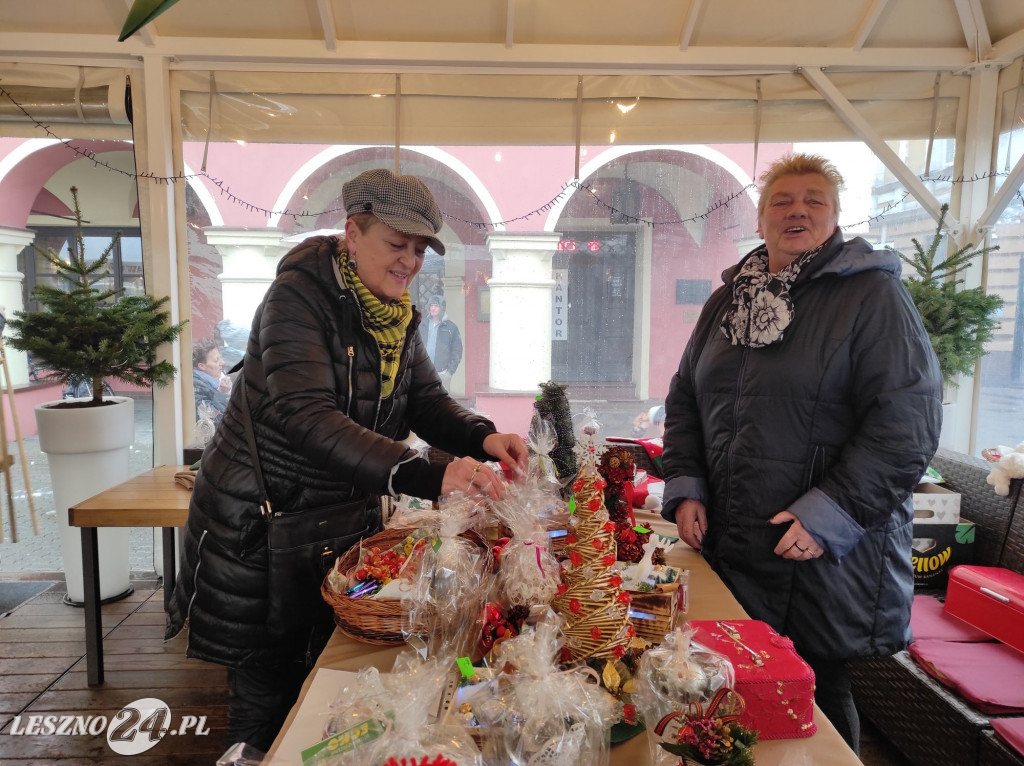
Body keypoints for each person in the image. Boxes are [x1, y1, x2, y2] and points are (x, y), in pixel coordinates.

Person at [165, 168, 528, 751]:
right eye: (396, 243)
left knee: (328, 689)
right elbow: (307, 418)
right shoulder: (297, 298)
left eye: (418, 249)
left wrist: (482, 438)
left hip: (330, 527)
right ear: (352, 233)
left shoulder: (395, 312)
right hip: (263, 531)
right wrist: (430, 474)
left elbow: (424, 400)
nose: (409, 261)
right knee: (268, 697)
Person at [660, 153, 943, 753]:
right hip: (733, 543)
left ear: (835, 216)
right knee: (732, 686)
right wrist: (686, 484)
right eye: (782, 201)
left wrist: (827, 514)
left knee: (815, 697)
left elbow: (907, 423)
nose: (797, 210)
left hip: (817, 555)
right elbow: (685, 397)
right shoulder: (729, 300)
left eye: (814, 199)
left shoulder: (872, 296)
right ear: (761, 219)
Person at [418, 293, 462, 391]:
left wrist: (449, 372)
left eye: (436, 306)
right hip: (423, 372)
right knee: (423, 402)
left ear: (442, 308)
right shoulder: (422, 324)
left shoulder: (451, 327)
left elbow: (457, 351)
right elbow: (414, 346)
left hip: (442, 374)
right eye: (431, 305)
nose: (433, 308)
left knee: (441, 404)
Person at [192, 339, 231, 421]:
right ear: (202, 366)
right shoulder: (196, 388)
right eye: (216, 360)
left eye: (220, 358)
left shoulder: (215, 380)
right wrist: (222, 393)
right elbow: (214, 420)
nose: (222, 362)